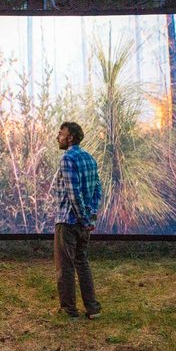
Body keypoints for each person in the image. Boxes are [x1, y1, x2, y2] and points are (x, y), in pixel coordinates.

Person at [52, 122, 103, 320]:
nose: (58, 136)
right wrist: (90, 216)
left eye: (61, 133)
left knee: (65, 267)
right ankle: (93, 309)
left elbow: (73, 195)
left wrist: (82, 218)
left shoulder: (67, 158)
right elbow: (98, 190)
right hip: (84, 224)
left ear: (70, 137)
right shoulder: (90, 158)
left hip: (68, 222)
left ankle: (69, 311)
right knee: (82, 263)